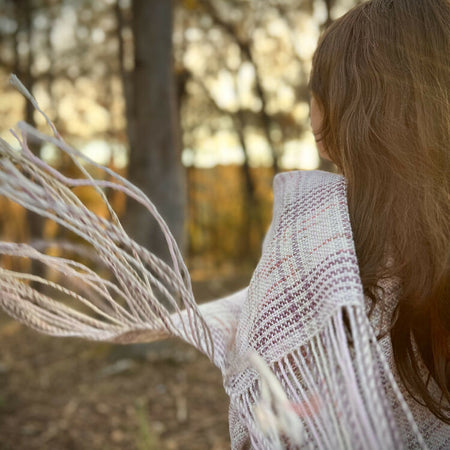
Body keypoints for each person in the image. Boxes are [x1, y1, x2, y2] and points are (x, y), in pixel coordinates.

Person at [0, 0, 448, 448]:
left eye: (325, 89)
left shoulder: (323, 240)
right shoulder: (364, 254)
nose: (314, 110)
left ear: (368, 111)